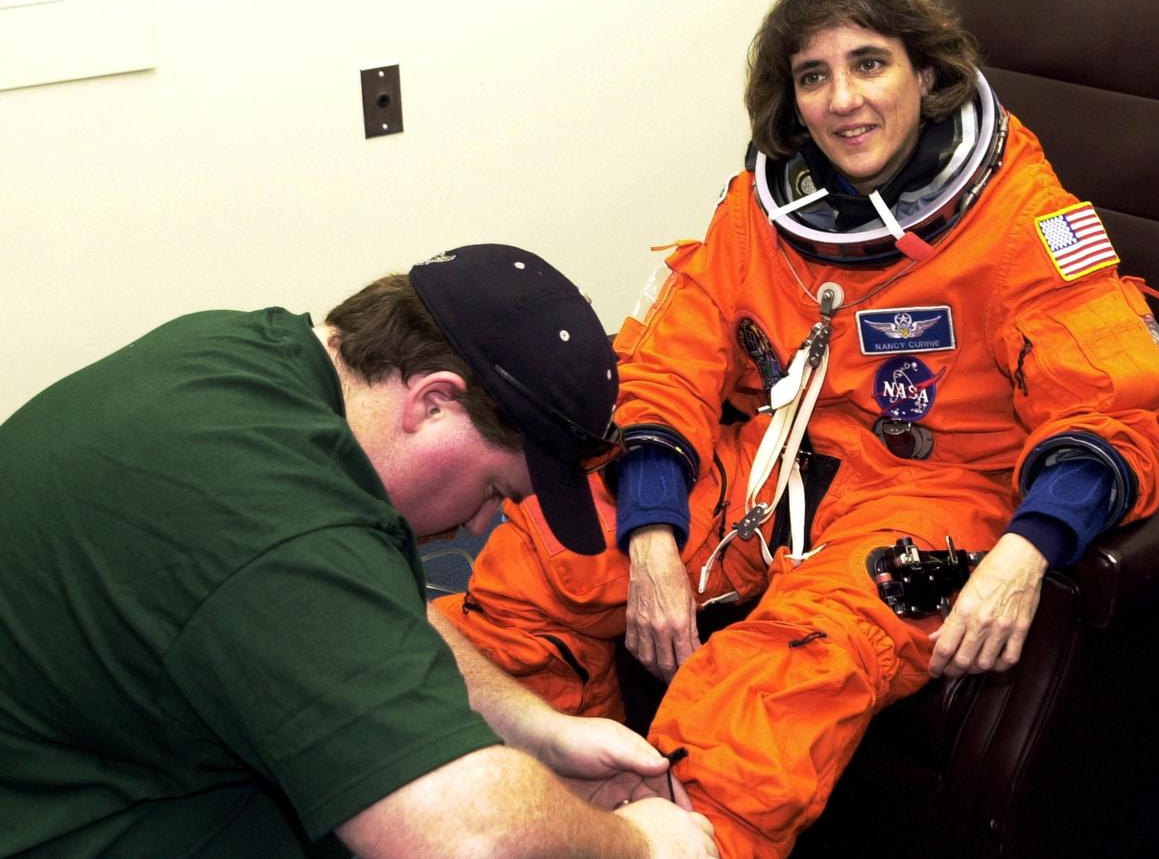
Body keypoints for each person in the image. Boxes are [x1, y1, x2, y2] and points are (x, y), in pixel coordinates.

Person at [433, 0, 1159, 858]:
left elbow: (1115, 407)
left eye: (869, 63)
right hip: (772, 459)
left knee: (766, 693)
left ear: (926, 72)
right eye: (813, 75)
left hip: (933, 493)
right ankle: (543, 809)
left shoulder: (1020, 218)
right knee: (545, 562)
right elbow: (669, 362)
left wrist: (1027, 552)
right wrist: (650, 532)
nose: (843, 101)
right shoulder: (766, 208)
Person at [0, 244, 719, 859]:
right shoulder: (276, 519)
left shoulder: (250, 360)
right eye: (495, 489)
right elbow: (464, 837)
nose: (480, 525)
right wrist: (641, 843)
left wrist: (538, 731)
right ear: (433, 402)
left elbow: (368, 609)